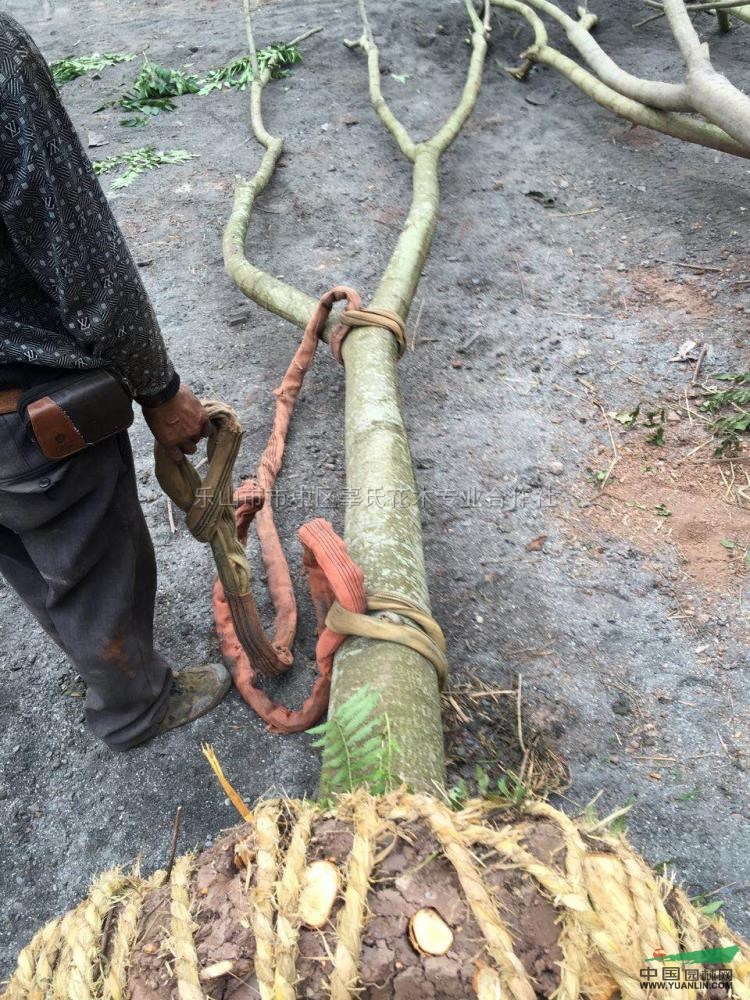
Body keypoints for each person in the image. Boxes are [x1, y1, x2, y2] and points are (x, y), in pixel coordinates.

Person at [0, 12, 231, 749]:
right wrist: (161, 391)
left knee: (21, 542)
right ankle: (135, 703)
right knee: (85, 544)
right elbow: (83, 257)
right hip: (22, 407)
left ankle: (94, 652)